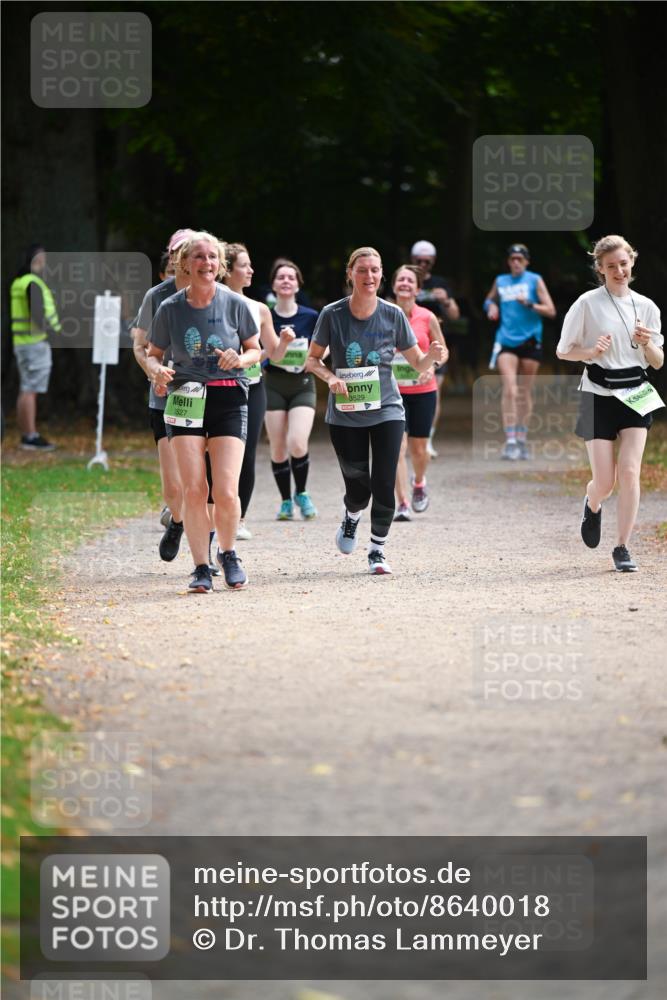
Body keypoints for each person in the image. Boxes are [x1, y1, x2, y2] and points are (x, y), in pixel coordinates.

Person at [306, 247, 445, 575]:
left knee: (384, 483)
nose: (370, 276)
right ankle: (352, 517)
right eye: (363, 270)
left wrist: (431, 357)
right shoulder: (332, 314)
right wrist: (330, 377)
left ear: (382, 275)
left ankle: (377, 550)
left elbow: (416, 361)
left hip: (387, 408)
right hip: (346, 412)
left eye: (375, 270)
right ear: (350, 273)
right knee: (359, 489)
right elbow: (312, 360)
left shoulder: (393, 314)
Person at [145, 231, 261, 593]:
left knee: (225, 489)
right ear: (185, 263)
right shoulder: (169, 308)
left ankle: (228, 553)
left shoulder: (235, 304)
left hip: (227, 396)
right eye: (199, 257)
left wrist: (239, 359)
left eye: (212, 257)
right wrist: (157, 370)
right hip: (185, 398)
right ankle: (199, 566)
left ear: (221, 264)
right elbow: (152, 352)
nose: (206, 263)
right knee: (194, 489)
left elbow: (256, 350)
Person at [556, 235, 663, 573]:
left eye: (623, 264)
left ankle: (622, 546)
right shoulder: (587, 303)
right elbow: (563, 350)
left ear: (632, 262)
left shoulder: (646, 307)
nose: (619, 271)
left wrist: (647, 345)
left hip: (636, 394)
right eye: (611, 266)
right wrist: (592, 352)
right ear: (600, 269)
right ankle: (593, 502)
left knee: (630, 471)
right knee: (605, 481)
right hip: (597, 395)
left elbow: (658, 362)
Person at [222, 243, 295, 539]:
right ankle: (213, 513)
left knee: (246, 453)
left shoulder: (260, 308)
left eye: (251, 265)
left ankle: (239, 519)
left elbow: (274, 354)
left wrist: (285, 342)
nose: (251, 270)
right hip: (219, 389)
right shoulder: (211, 302)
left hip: (252, 388)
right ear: (227, 270)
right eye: (244, 265)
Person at [132, 229, 192, 563]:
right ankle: (178, 521)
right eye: (178, 253)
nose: (184, 259)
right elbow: (139, 347)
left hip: (207, 396)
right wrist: (153, 371)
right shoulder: (156, 296)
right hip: (166, 397)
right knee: (174, 487)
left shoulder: (220, 296)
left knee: (205, 481)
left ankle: (209, 552)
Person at [483, 243, 556, 460]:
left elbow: (551, 310)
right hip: (506, 340)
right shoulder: (501, 281)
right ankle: (511, 441)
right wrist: (491, 307)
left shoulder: (535, 280)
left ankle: (522, 440)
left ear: (526, 261)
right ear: (508, 261)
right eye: (512, 258)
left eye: (520, 259)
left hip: (531, 341)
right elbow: (488, 299)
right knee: (510, 390)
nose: (516, 262)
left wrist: (531, 304)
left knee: (524, 392)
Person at [390, 265, 448, 521]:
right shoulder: (383, 314)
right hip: (392, 393)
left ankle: (419, 482)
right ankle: (401, 502)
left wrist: (433, 363)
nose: (404, 283)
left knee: (419, 450)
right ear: (393, 286)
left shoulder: (427, 317)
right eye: (400, 279)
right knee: (396, 448)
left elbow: (443, 351)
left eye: (409, 280)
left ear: (417, 288)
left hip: (423, 391)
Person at [264, 259, 320, 520]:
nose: (286, 281)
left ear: (298, 285)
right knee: (277, 447)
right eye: (281, 277)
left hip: (302, 385)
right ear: (274, 284)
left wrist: (311, 356)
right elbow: (260, 351)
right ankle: (286, 501)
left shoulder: (310, 316)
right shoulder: (265, 316)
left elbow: (325, 346)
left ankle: (303, 493)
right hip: (273, 384)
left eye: (291, 277)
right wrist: (282, 346)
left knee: (297, 442)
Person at [410, 240, 460, 456]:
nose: (422, 264)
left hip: (435, 345)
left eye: (426, 261)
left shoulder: (441, 283)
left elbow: (456, 315)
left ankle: (427, 437)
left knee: (433, 392)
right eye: (419, 260)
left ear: (433, 261)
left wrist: (446, 300)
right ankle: (404, 436)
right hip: (408, 346)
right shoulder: (407, 280)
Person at [10, 244, 62, 450]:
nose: (43, 262)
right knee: (31, 390)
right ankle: (31, 435)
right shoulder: (33, 283)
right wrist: (52, 332)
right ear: (33, 260)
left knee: (26, 388)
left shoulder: (19, 282)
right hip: (35, 343)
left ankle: (26, 434)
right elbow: (38, 315)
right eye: (40, 258)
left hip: (22, 343)